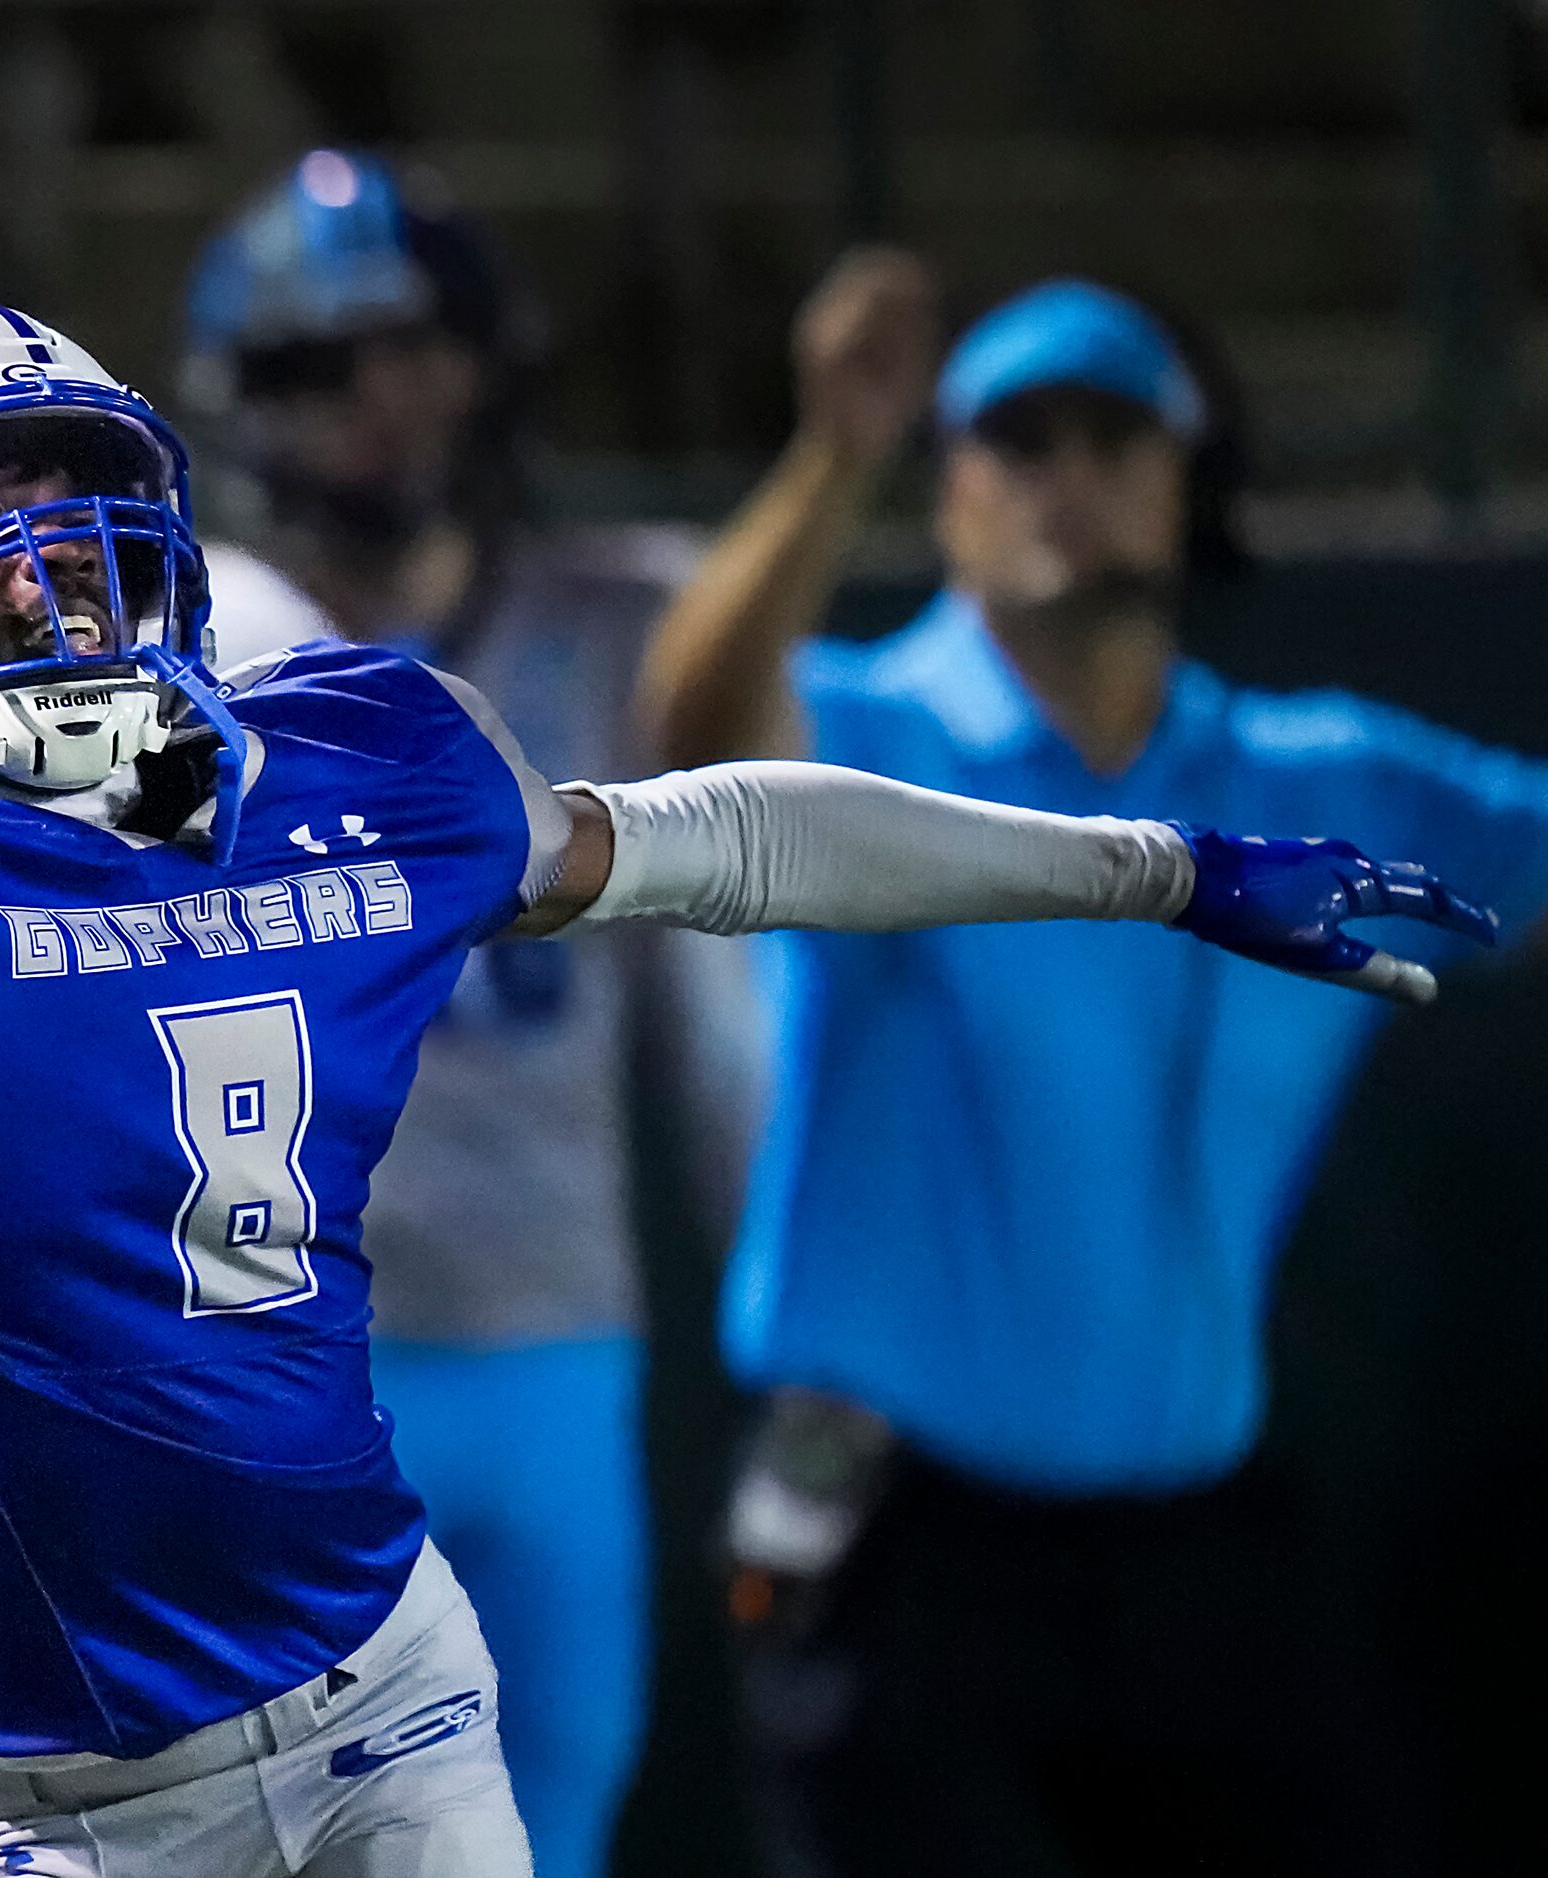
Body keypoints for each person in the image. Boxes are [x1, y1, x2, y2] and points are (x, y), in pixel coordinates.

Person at [0, 297, 1490, 1878]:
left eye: (81, 505)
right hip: (42, 1789)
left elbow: (721, 840)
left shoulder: (339, 758)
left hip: (380, 1680)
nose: (48, 562)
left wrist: (1157, 866)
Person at [635, 256, 1548, 1877]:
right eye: (1018, 439)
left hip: (1206, 1549)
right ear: (955, 492)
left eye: (1112, 437)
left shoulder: (1324, 780)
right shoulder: (868, 738)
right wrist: (832, 455)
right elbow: (687, 732)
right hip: (903, 1553)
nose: (1068, 478)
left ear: (1186, 480)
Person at [178, 149, 741, 1876]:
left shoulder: (632, 618)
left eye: (414, 349)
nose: (378, 404)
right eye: (322, 365)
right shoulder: (178, 648)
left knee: (551, 1805)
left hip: (570, 1328)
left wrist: (781, 1305)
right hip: (279, 1346)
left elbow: (731, 1011)